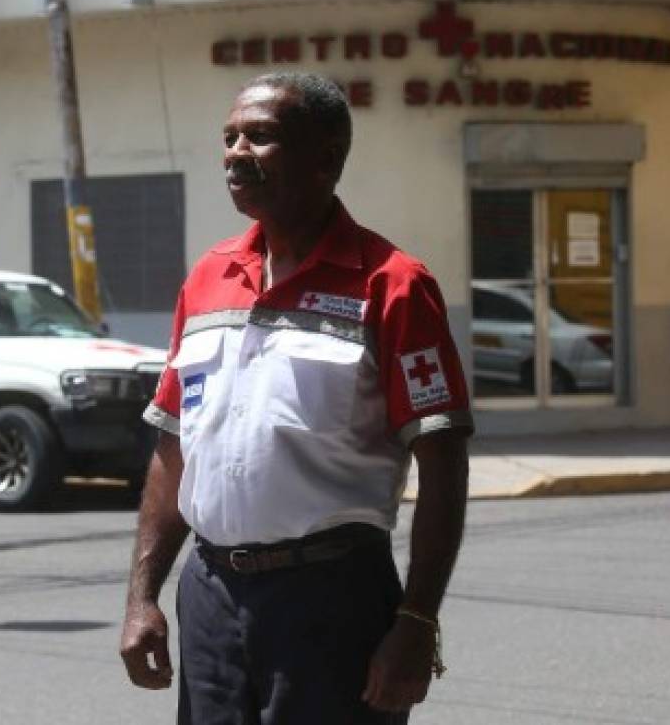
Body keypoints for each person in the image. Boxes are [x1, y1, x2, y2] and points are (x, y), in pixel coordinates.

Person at [119, 72, 472, 724]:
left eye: (260, 136)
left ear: (326, 158)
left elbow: (444, 460)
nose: (235, 152)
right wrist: (143, 595)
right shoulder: (206, 279)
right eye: (229, 137)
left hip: (332, 599)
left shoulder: (392, 285)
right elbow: (174, 445)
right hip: (210, 594)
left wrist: (417, 620)